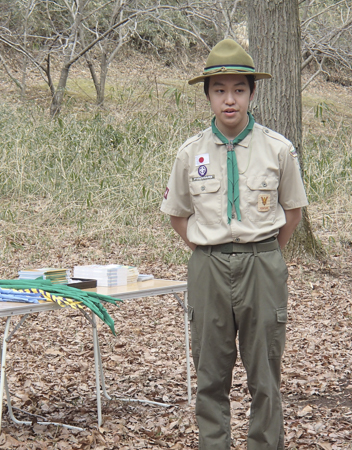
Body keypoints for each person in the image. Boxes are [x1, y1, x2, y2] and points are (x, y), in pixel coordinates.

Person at [160, 39, 308, 450]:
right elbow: (178, 214)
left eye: (239, 90)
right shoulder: (190, 153)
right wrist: (210, 251)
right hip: (208, 265)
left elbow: (291, 213)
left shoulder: (278, 149)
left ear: (252, 93)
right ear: (207, 95)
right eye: (220, 90)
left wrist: (260, 252)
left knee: (265, 373)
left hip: (262, 262)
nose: (230, 100)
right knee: (210, 374)